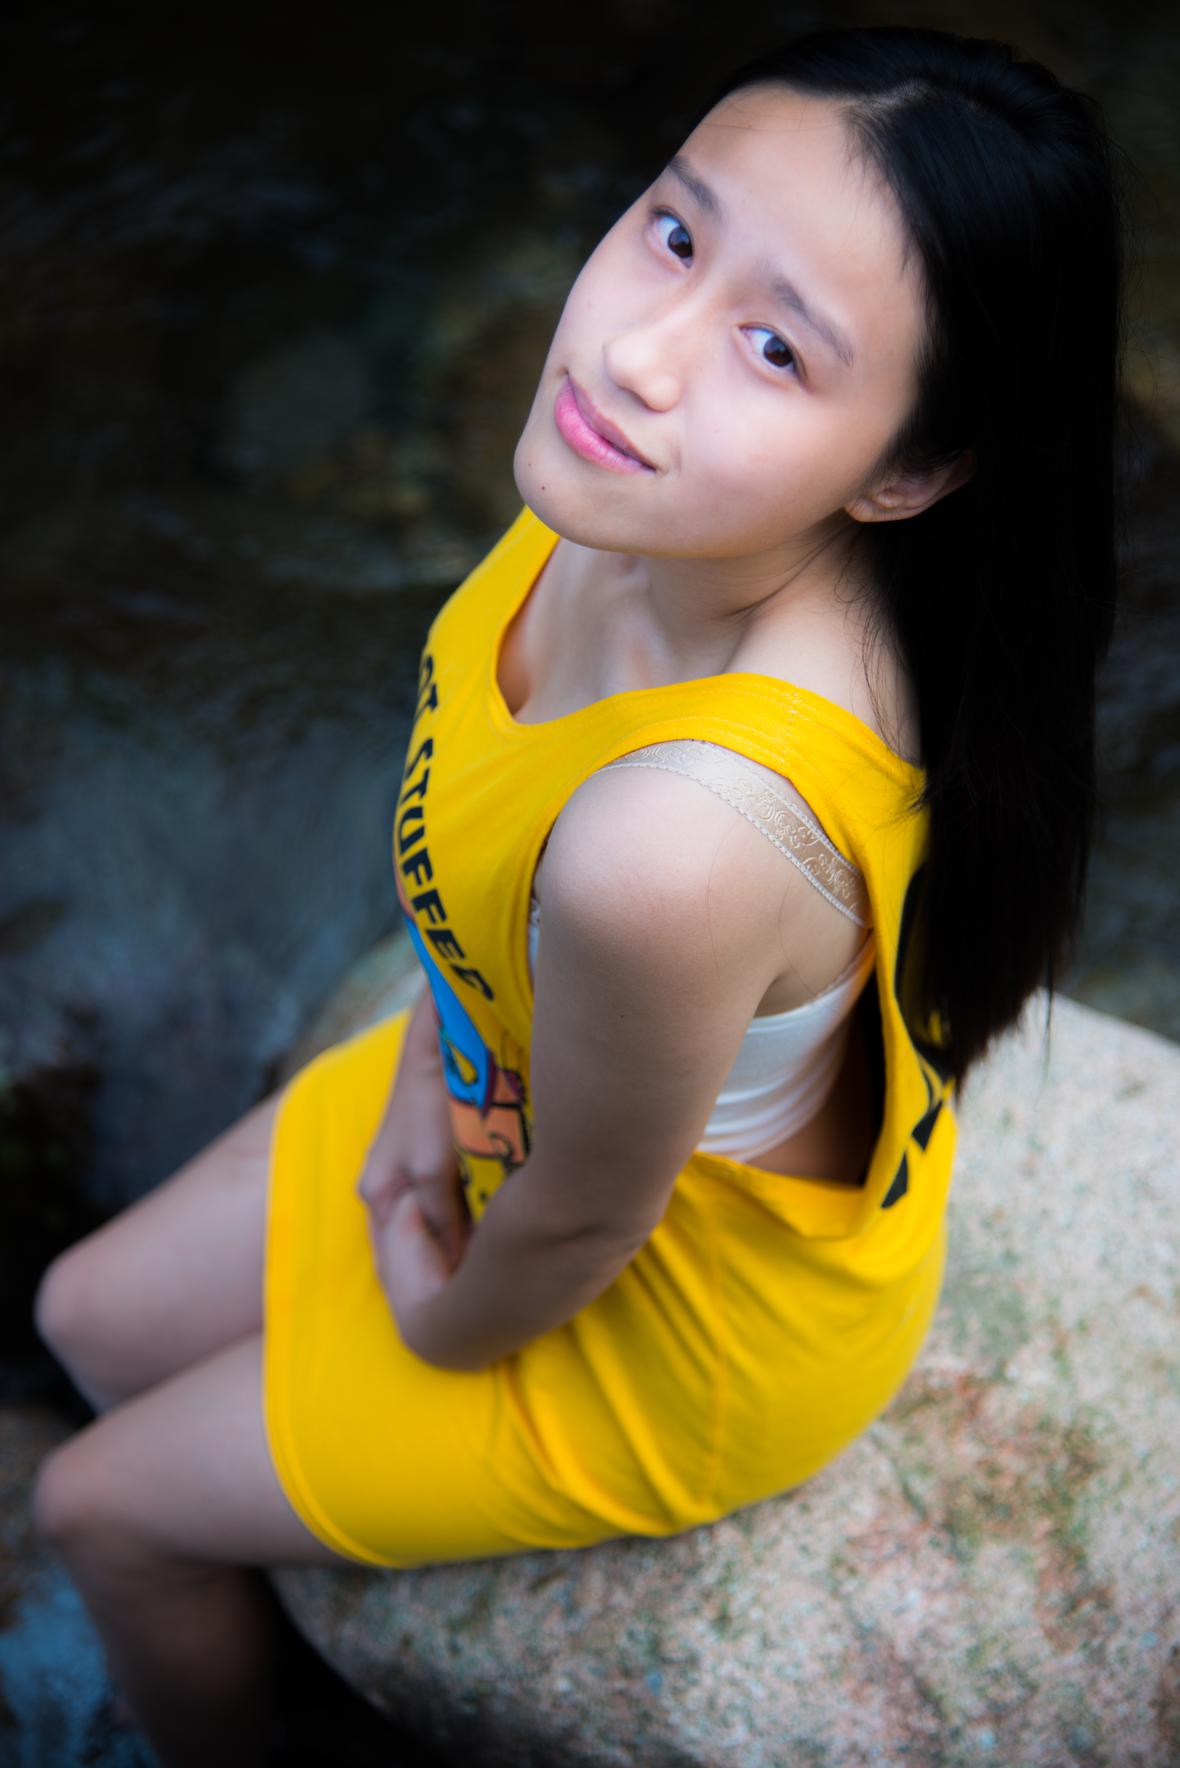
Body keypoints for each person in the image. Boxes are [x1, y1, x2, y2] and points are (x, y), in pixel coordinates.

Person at [29, 25, 1130, 1767]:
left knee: (100, 1508)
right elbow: (481, 873)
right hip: (506, 1088)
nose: (633, 351)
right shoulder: (632, 501)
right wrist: (425, 1065)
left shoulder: (680, 843)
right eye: (675, 232)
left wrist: (438, 1314)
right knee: (83, 1317)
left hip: (665, 1314)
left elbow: (581, 1223)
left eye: (777, 349)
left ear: (907, 473)